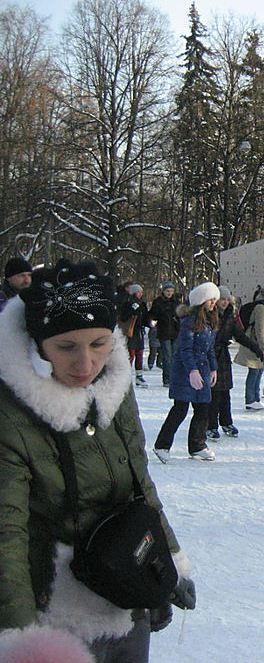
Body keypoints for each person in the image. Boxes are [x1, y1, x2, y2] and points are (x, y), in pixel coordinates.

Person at [0, 259, 195, 661]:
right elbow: (7, 535)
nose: (86, 364)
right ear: (38, 345)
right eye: (67, 347)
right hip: (57, 612)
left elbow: (138, 482)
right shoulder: (11, 414)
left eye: (99, 344)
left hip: (127, 591)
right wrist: (22, 641)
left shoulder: (114, 387)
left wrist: (168, 562)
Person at [153, 282, 219, 463]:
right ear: (201, 301)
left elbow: (209, 348)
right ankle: (162, 446)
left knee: (203, 408)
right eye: (210, 299)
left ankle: (197, 445)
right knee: (180, 409)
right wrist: (192, 371)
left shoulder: (210, 321)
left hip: (203, 370)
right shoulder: (189, 321)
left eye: (215, 299)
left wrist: (213, 368)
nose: (214, 302)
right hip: (185, 371)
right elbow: (185, 349)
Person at [207, 286, 262, 441]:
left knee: (225, 392)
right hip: (210, 356)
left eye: (226, 299)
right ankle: (210, 425)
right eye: (221, 300)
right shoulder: (209, 315)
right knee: (214, 393)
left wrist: (256, 348)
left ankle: (226, 422)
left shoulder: (229, 316)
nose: (224, 302)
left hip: (223, 356)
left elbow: (240, 335)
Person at [234, 285, 264, 411]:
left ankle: (255, 399)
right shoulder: (261, 308)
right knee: (254, 371)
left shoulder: (261, 306)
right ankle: (251, 400)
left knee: (257, 370)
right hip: (253, 343)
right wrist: (263, 348)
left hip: (253, 342)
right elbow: (259, 330)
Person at [117, 283, 152, 388]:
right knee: (130, 353)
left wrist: (149, 322)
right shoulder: (127, 304)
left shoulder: (142, 304)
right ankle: (126, 375)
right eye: (138, 292)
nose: (140, 294)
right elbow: (123, 317)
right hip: (131, 332)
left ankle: (139, 376)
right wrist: (132, 310)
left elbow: (145, 317)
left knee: (140, 353)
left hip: (139, 332)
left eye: (141, 292)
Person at [149, 281, 180, 387]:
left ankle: (174, 377)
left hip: (175, 332)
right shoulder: (158, 302)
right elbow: (153, 314)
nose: (169, 293)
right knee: (167, 356)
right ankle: (167, 379)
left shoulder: (176, 301)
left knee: (175, 356)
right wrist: (153, 320)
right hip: (164, 331)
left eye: (171, 291)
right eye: (167, 291)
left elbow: (181, 314)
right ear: (163, 291)